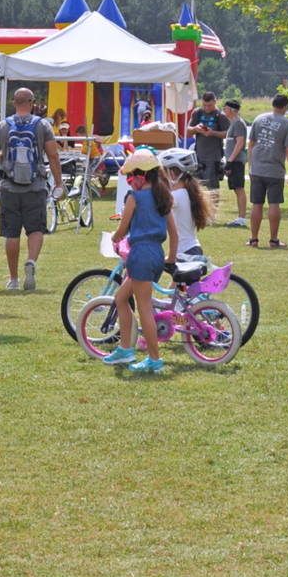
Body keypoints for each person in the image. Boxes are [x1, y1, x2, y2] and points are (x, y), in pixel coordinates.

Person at [102, 147, 178, 373]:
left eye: (130, 177)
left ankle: (154, 359)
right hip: (156, 255)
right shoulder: (163, 196)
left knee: (144, 307)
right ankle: (126, 348)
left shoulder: (135, 198)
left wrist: (115, 238)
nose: (129, 181)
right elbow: (174, 234)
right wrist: (170, 259)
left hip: (140, 255)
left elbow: (122, 229)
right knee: (121, 297)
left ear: (141, 176)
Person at [0, 88, 64, 291]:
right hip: (35, 186)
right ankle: (32, 262)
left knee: (12, 233)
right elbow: (53, 155)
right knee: (35, 229)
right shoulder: (42, 125)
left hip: (8, 187)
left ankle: (14, 279)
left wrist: (7, 160)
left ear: (13, 103)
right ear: (32, 102)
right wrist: (59, 183)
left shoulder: (2, 126)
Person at [247, 93, 288, 248]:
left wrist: (250, 166)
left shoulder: (259, 119)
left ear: (272, 104)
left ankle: (254, 239)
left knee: (257, 203)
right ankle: (274, 239)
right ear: (285, 107)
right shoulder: (287, 124)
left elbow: (251, 144)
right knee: (274, 204)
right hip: (275, 170)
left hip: (257, 168)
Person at [159, 148, 216, 258]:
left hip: (186, 252)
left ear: (172, 174)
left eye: (162, 175)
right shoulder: (186, 192)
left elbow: (160, 207)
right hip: (191, 249)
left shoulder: (177, 196)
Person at [187, 92, 229, 189]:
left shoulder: (220, 116)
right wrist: (196, 129)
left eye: (209, 105)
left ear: (215, 101)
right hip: (198, 156)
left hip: (213, 158)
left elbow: (227, 134)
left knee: (212, 188)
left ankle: (214, 204)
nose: (207, 108)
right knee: (195, 187)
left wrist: (213, 133)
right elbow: (187, 131)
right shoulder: (197, 113)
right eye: (204, 105)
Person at [222, 99, 249, 228]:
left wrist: (230, 161)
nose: (223, 111)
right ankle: (240, 217)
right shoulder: (232, 123)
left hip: (236, 161)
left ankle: (242, 218)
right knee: (236, 189)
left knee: (239, 188)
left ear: (230, 110)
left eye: (225, 108)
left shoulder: (238, 123)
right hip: (233, 160)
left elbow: (240, 143)